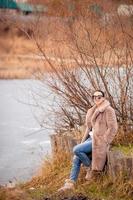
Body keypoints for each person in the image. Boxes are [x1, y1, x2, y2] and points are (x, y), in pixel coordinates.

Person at [58, 90, 118, 192]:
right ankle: (70, 184)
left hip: (99, 140)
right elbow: (89, 127)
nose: (96, 98)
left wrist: (104, 140)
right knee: (76, 158)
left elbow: (113, 128)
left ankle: (90, 166)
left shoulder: (108, 110)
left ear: (103, 98)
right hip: (90, 138)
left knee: (76, 149)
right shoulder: (93, 110)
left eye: (99, 96)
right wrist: (85, 138)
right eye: (94, 97)